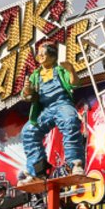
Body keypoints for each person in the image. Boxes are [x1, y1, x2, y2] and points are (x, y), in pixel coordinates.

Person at [19, 43, 86, 184]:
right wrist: (27, 91)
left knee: (70, 121)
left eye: (43, 53)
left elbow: (75, 84)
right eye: (39, 53)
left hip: (62, 104)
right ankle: (38, 172)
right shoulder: (35, 75)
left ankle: (75, 164)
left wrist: (71, 70)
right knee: (28, 131)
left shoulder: (60, 70)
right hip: (46, 109)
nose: (40, 56)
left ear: (53, 56)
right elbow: (27, 96)